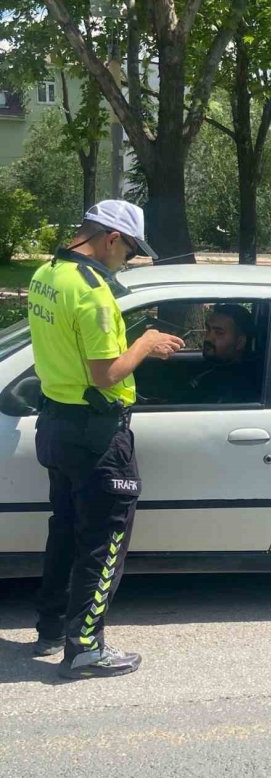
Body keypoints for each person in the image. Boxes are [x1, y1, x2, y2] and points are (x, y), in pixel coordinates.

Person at [28, 200, 184, 679]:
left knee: (66, 530)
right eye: (130, 251)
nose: (128, 260)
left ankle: (51, 627)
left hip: (55, 424)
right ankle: (87, 649)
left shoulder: (46, 274)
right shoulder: (93, 293)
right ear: (111, 239)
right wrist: (145, 343)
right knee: (105, 541)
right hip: (97, 434)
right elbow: (104, 374)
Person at [184, 302, 259, 404]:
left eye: (219, 333)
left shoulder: (238, 387)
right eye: (208, 330)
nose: (208, 338)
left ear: (240, 342)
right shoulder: (215, 369)